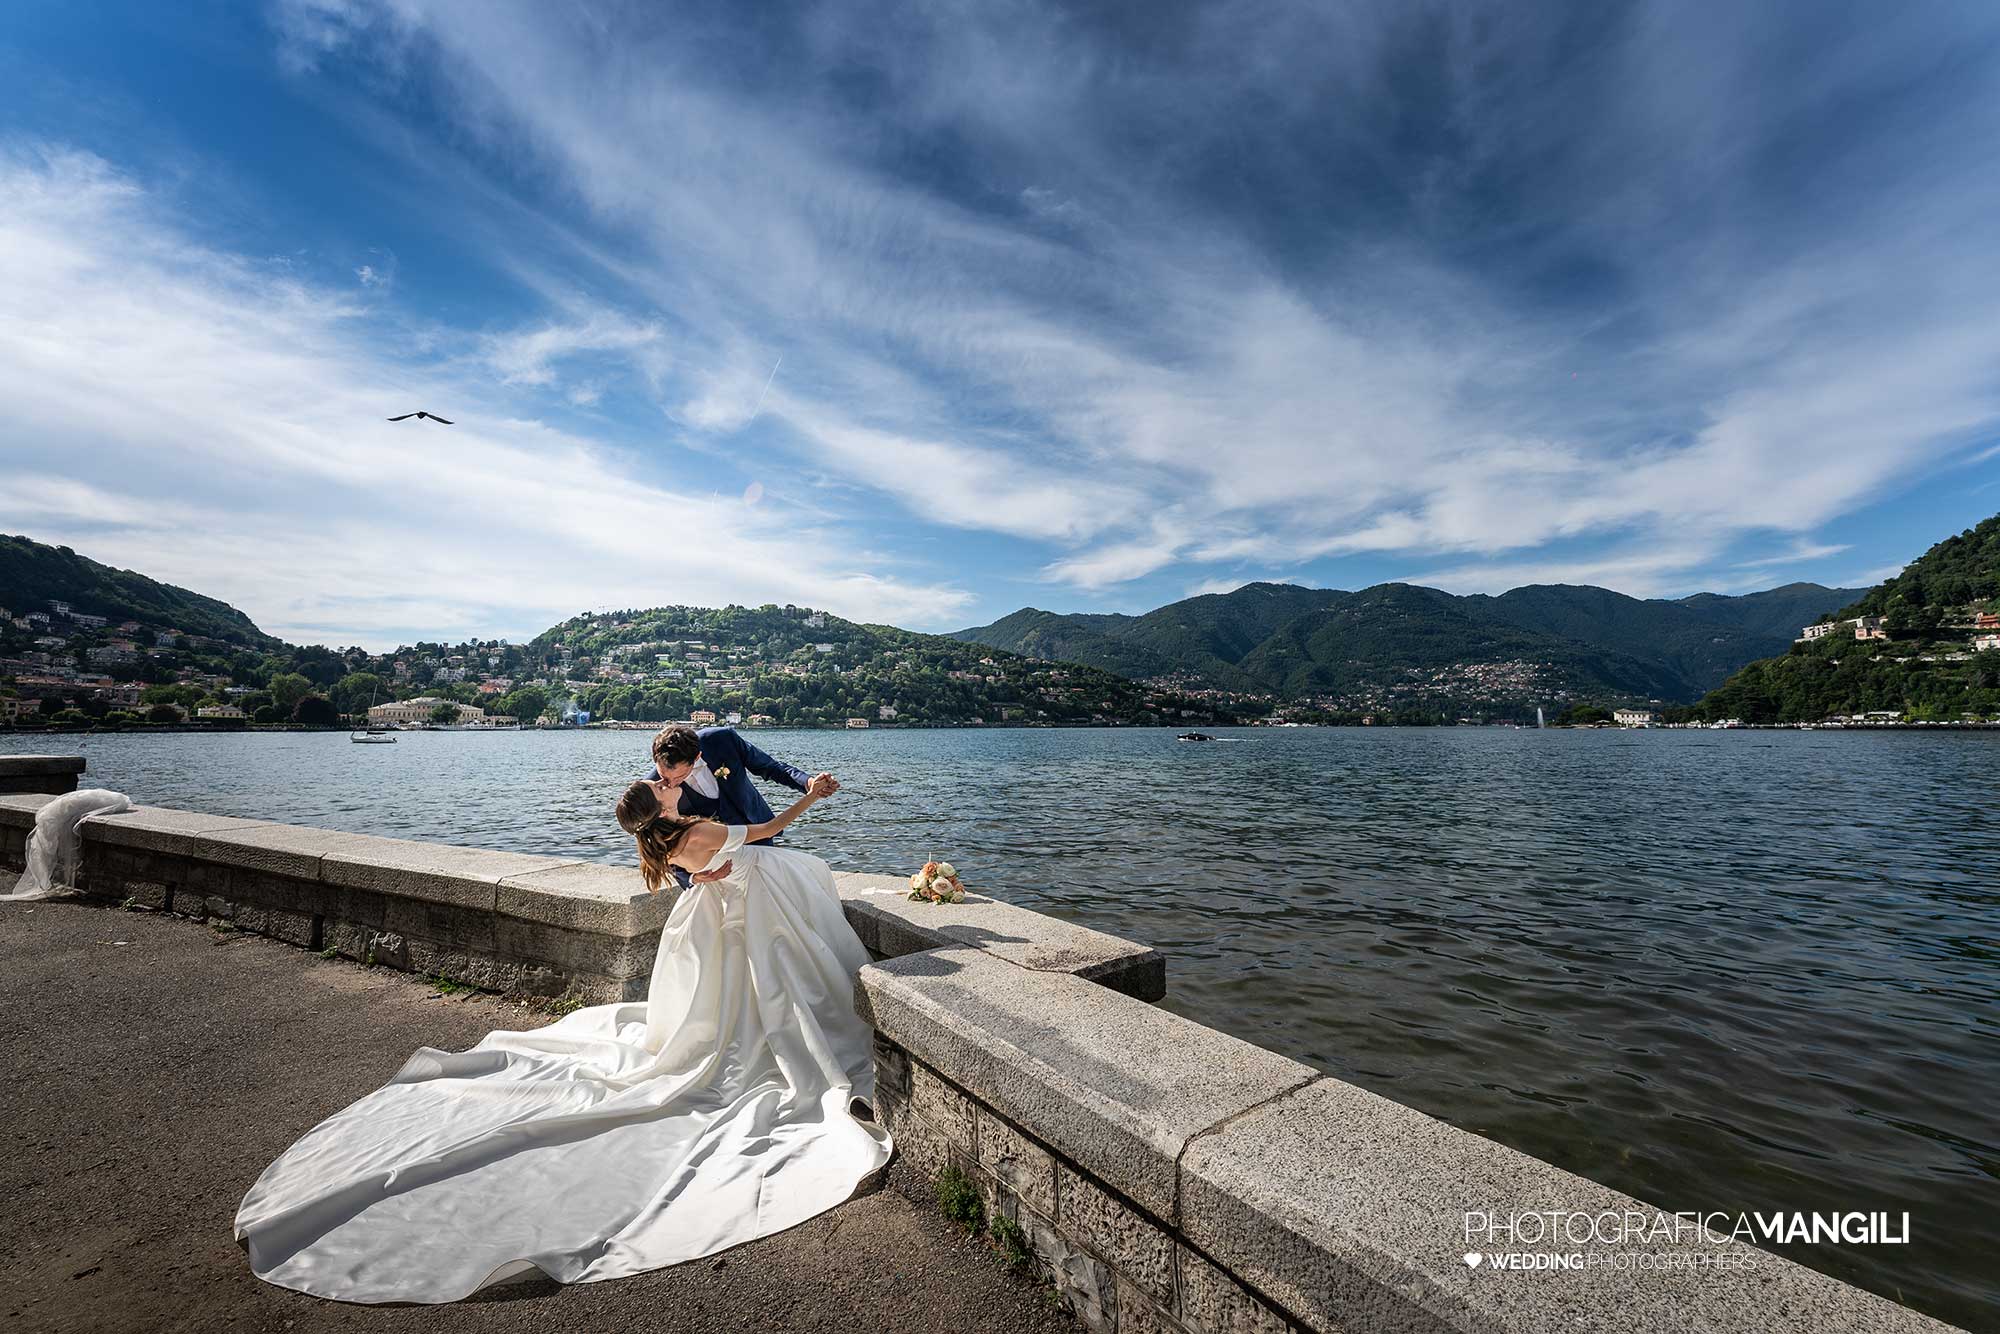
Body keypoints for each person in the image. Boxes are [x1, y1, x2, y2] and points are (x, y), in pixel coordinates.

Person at [234, 767, 889, 1304]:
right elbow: (767, 831)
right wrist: (810, 796)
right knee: (781, 961)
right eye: (660, 786)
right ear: (658, 806)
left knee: (725, 1003)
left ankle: (732, 1040)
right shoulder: (701, 827)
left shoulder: (664, 843)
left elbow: (705, 869)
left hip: (714, 917)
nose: (666, 784)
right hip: (752, 907)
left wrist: (712, 872)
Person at [642, 722, 840, 890]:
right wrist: (690, 878)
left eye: (678, 777)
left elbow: (770, 767)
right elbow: (656, 839)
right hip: (717, 859)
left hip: (758, 830)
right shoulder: (655, 790)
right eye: (664, 776)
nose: (670, 784)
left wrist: (809, 783)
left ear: (696, 757)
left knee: (775, 890)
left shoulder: (722, 739)